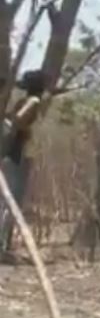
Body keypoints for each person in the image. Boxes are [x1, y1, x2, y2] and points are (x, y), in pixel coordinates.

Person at [0, 69, 49, 261]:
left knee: (8, 200)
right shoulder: (33, 102)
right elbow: (17, 121)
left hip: (16, 154)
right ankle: (2, 244)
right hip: (19, 155)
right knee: (12, 201)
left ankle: (4, 243)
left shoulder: (27, 102)